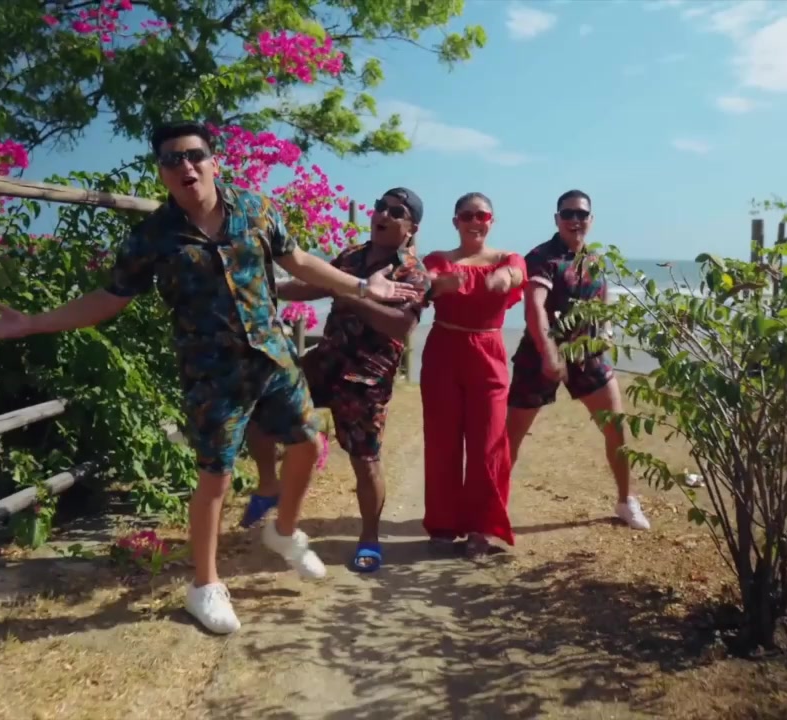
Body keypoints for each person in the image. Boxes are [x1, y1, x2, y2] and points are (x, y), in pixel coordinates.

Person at [0, 121, 422, 634]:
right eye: (172, 159)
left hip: (272, 359)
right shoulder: (153, 237)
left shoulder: (255, 209)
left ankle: (284, 531)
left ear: (213, 162)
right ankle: (204, 586)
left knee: (308, 442)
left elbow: (299, 261)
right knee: (215, 478)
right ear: (162, 173)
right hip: (211, 373)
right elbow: (109, 299)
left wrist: (362, 288)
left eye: (194, 155)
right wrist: (33, 323)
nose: (185, 165)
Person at [244, 187, 429, 574]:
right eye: (380, 206)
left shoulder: (413, 272)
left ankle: (370, 539)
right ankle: (269, 485)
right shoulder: (352, 256)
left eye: (397, 211)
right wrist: (266, 288)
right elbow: (315, 284)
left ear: (412, 228)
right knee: (260, 409)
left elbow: (401, 326)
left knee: (365, 461)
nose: (384, 214)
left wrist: (350, 295)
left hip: (366, 378)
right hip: (325, 362)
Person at [505, 189, 651, 531]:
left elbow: (602, 297)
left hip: (587, 355)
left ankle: (626, 500)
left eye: (581, 214)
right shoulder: (542, 257)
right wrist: (549, 354)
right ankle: (490, 510)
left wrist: (607, 332)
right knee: (511, 438)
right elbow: (534, 308)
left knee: (616, 427)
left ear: (591, 219)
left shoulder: (594, 259)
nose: (575, 220)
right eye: (567, 214)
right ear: (556, 219)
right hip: (539, 355)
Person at [420, 192, 526, 557]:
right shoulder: (439, 259)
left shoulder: (507, 258)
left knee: (489, 444)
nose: (475, 221)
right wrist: (437, 282)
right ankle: (443, 526)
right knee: (442, 443)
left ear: (491, 221)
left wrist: (506, 276)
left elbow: (516, 274)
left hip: (489, 353)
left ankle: (482, 528)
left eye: (482, 215)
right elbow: (426, 281)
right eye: (467, 215)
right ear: (456, 222)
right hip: (444, 352)